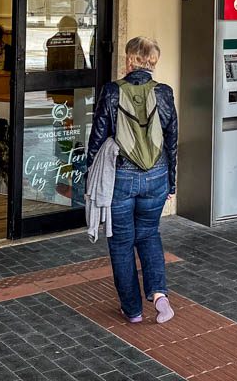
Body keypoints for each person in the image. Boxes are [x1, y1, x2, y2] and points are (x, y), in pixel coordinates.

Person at [87, 37, 179, 325]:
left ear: (130, 60)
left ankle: (133, 310)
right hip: (157, 175)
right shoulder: (164, 93)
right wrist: (172, 182)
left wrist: (91, 174)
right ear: (153, 61)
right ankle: (160, 296)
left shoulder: (112, 91)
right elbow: (172, 140)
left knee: (121, 242)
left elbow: (98, 136)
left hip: (122, 176)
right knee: (149, 234)